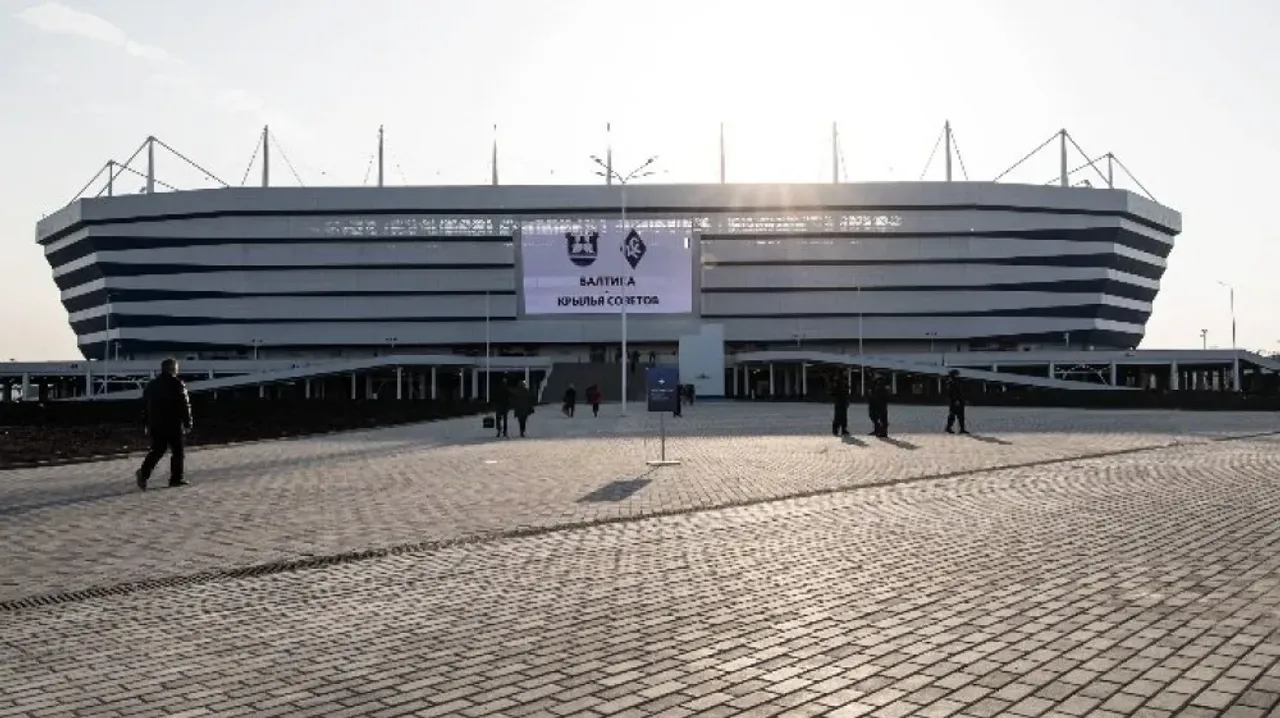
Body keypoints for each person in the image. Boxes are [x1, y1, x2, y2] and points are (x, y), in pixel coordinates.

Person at [135, 357, 193, 490]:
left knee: (158, 450)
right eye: (176, 368)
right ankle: (176, 478)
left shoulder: (152, 385)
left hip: (156, 423)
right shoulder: (177, 384)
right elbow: (184, 404)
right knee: (178, 451)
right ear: (172, 369)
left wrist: (145, 423)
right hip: (173, 423)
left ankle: (143, 473)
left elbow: (143, 405)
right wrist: (188, 422)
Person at [945, 369, 969, 434]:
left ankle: (962, 429)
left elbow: (961, 391)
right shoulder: (951, 382)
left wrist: (964, 399)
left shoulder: (958, 381)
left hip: (960, 401)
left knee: (961, 416)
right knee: (952, 415)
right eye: (956, 374)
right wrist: (956, 400)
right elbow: (952, 393)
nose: (958, 375)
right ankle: (948, 428)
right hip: (954, 402)